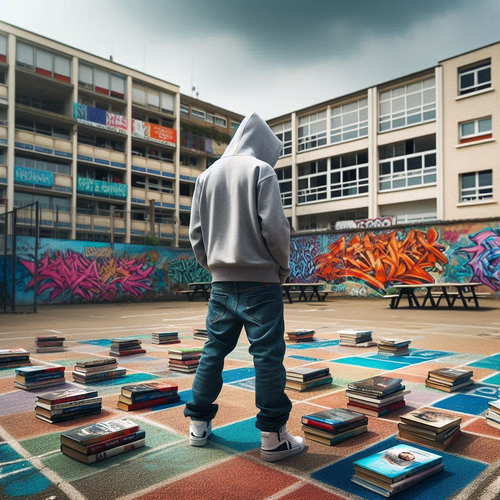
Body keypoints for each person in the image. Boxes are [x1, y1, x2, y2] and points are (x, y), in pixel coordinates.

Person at [184, 112, 305, 462]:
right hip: (261, 283)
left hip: (220, 284)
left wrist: (215, 267)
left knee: (213, 351)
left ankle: (198, 425)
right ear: (262, 144)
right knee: (267, 356)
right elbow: (276, 229)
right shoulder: (261, 170)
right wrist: (280, 268)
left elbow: (196, 234)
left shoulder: (206, 176)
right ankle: (272, 436)